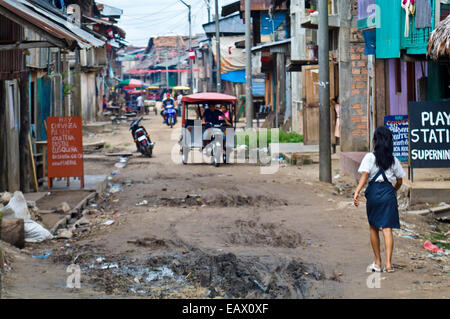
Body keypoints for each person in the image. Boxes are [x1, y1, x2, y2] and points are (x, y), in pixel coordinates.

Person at [353, 126, 406, 273]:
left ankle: (378, 263)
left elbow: (364, 175)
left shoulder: (370, 157)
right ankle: (389, 264)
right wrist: (392, 191)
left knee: (374, 227)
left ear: (375, 141)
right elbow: (400, 181)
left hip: (374, 193)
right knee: (387, 228)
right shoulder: (394, 160)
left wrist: (357, 192)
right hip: (388, 193)